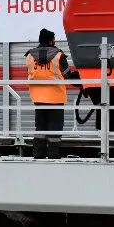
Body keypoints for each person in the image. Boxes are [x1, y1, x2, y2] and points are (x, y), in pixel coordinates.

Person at [25, 28, 76, 159]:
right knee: (55, 127)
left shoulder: (30, 56)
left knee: (40, 127)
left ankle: (38, 153)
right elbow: (67, 75)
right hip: (55, 97)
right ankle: (53, 154)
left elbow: (31, 73)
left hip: (38, 97)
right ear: (50, 40)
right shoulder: (58, 55)